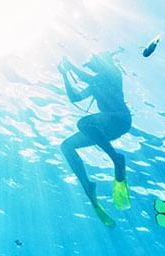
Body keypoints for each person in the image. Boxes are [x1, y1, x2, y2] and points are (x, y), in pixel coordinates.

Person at [58, 53, 131, 228]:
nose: (92, 68)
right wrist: (64, 75)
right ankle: (87, 185)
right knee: (66, 146)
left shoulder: (113, 73)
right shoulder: (95, 82)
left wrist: (70, 66)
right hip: (104, 127)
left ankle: (116, 158)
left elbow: (87, 77)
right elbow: (75, 97)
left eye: (93, 65)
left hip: (119, 119)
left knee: (84, 123)